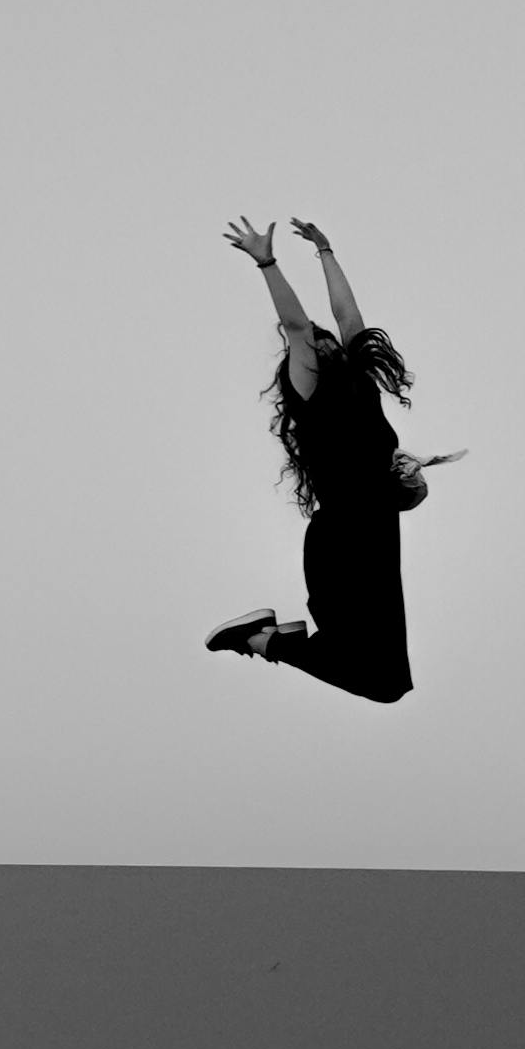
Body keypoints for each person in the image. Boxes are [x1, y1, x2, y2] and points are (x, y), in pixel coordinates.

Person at [205, 219, 459, 703]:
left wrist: (326, 252)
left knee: (387, 679)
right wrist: (267, 262)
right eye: (314, 346)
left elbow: (349, 317)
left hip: (377, 538)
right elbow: (297, 327)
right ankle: (260, 639)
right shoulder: (310, 395)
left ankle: (269, 638)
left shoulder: (362, 385)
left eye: (328, 342)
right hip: (342, 541)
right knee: (373, 676)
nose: (325, 345)